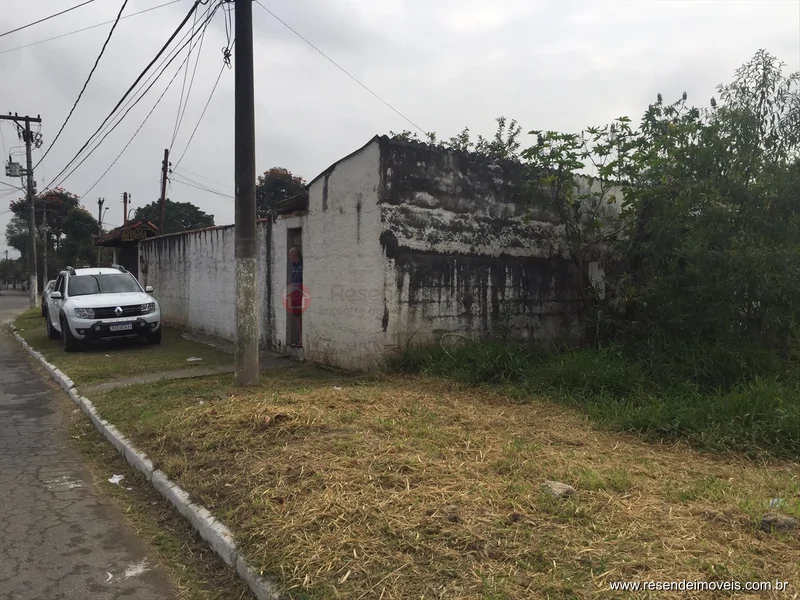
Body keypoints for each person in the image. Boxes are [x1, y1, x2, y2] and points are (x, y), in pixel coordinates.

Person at [288, 246, 303, 347]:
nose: (289, 257)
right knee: (297, 318)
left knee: (301, 318)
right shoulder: (294, 266)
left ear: (294, 254)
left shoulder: (302, 265)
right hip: (295, 294)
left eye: (290, 254)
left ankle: (301, 340)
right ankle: (299, 339)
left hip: (301, 294)